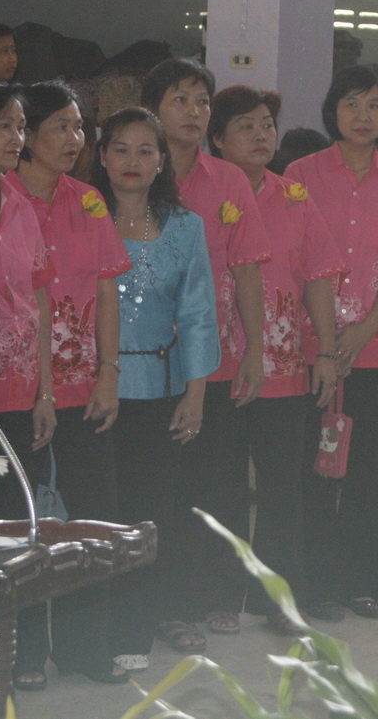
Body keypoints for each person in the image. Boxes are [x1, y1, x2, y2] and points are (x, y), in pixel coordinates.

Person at [284, 64, 378, 618]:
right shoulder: (299, 175)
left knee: (370, 468)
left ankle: (359, 578)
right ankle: (312, 586)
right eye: (352, 104)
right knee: (314, 470)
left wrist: (370, 324)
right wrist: (330, 339)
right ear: (333, 111)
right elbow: (294, 257)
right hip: (310, 345)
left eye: (374, 105)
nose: (363, 116)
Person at [3, 81, 131, 688]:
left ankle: (85, 646)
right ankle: (24, 653)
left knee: (91, 517)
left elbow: (106, 289)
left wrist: (109, 371)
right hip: (18, 389)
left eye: (79, 126)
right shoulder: (8, 198)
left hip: (80, 386)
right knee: (21, 522)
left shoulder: (90, 202)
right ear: (26, 135)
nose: (75, 138)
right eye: (60, 126)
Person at [141, 58, 272, 645]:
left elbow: (247, 270)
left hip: (218, 356)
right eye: (180, 99)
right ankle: (165, 606)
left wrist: (254, 350)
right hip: (150, 361)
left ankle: (219, 595)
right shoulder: (136, 173)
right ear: (153, 108)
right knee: (165, 485)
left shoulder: (229, 181)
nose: (193, 112)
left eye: (201, 101)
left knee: (220, 483)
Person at [207, 85, 346, 634]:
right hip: (218, 364)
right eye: (246, 125)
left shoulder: (294, 197)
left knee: (283, 487)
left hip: (284, 365)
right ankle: (221, 595)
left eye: (267, 124)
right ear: (218, 139)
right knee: (222, 485)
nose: (261, 134)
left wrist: (326, 352)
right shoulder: (204, 194)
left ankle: (278, 601)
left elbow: (317, 278)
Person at [91, 106, 219, 674]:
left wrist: (196, 392)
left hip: (162, 392)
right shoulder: (81, 217)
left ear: (163, 161)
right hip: (89, 390)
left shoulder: (186, 227)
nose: (133, 161)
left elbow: (198, 315)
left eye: (146, 150)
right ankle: (87, 637)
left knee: (149, 515)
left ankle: (134, 633)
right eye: (121, 148)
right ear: (101, 156)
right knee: (96, 514)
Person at [0, 81, 55, 525]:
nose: (17, 137)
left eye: (20, 126)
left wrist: (44, 393)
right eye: (3, 126)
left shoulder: (22, 207)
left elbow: (39, 301)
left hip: (18, 394)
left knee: (16, 522)